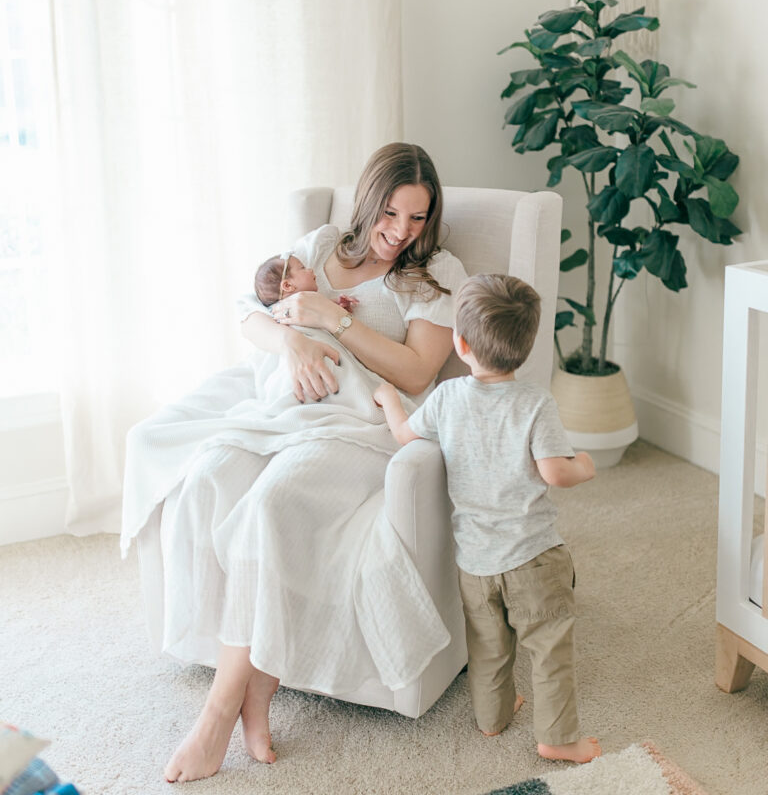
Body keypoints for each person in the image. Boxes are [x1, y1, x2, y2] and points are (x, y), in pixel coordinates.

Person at [120, 142, 467, 783]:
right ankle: (255, 684)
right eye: (391, 214)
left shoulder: (436, 273)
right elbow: (249, 316)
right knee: (207, 477)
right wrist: (291, 344)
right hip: (281, 407)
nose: (400, 233)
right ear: (368, 203)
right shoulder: (322, 244)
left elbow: (419, 370)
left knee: (273, 505)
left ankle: (220, 711)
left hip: (360, 423)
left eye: (417, 218)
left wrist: (331, 324)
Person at [374, 274, 601, 765]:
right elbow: (555, 473)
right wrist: (584, 463)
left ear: (460, 343)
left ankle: (492, 718)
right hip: (533, 559)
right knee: (549, 648)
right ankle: (558, 738)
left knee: (489, 647)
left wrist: (390, 398)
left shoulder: (448, 397)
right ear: (526, 345)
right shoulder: (535, 401)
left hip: (475, 562)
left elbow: (404, 436)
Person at [253, 252, 357, 312]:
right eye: (302, 268)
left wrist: (337, 304)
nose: (310, 269)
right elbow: (318, 308)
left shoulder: (304, 303)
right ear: (288, 285)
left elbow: (320, 308)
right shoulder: (292, 307)